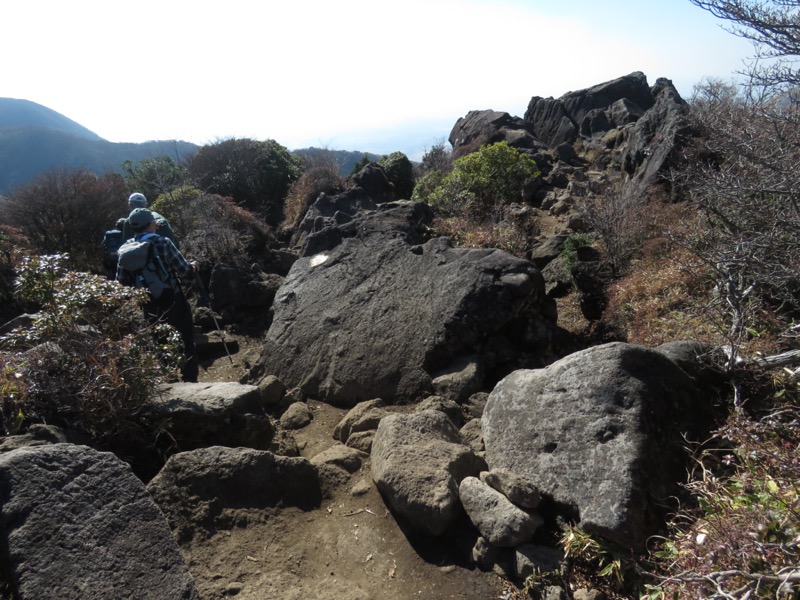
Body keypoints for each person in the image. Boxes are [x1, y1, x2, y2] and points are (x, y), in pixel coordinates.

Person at [117, 207, 199, 383]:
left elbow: (122, 283)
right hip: (174, 300)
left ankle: (170, 382)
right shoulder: (163, 242)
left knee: (161, 343)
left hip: (149, 305)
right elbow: (185, 271)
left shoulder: (125, 250)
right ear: (151, 224)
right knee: (186, 340)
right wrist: (193, 266)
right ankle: (191, 382)